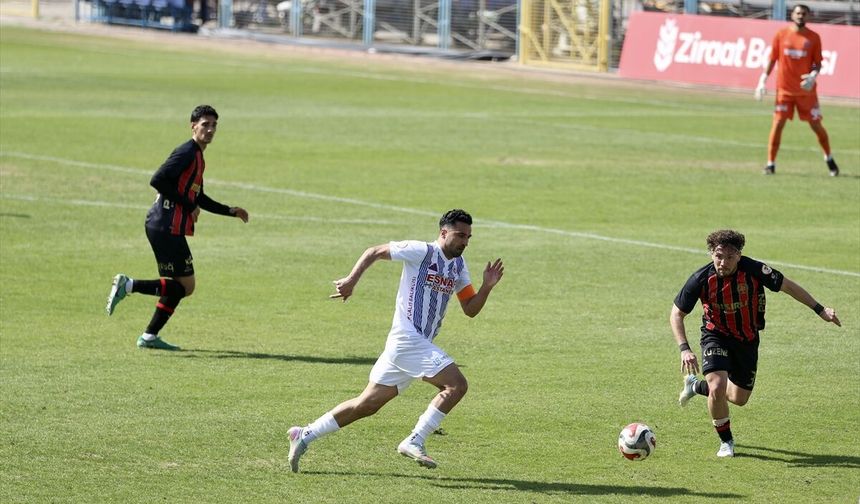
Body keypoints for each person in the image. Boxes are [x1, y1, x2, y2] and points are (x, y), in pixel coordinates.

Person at [287, 209, 504, 472]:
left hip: (410, 345)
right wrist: (351, 280)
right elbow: (374, 251)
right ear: (443, 232)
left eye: (469, 237)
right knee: (456, 385)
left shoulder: (458, 266)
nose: (465, 242)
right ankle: (415, 440)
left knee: (366, 405)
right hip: (407, 339)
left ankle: (305, 434)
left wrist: (486, 287)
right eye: (460, 235)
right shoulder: (421, 251)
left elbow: (470, 308)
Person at [671, 229, 840, 458]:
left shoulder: (754, 270)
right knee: (718, 386)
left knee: (739, 399)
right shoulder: (701, 279)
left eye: (730, 257)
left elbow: (788, 286)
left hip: (747, 340)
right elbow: (676, 314)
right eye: (719, 256)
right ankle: (726, 442)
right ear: (712, 254)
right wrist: (684, 349)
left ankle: (695, 386)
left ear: (739, 256)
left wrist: (820, 310)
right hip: (715, 335)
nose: (723, 262)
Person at [105, 105, 249, 350]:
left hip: (164, 227)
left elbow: (198, 196)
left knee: (180, 288)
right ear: (193, 125)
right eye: (205, 124)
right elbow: (157, 180)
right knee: (186, 287)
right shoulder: (186, 152)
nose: (211, 129)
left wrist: (230, 210)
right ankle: (128, 285)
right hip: (164, 225)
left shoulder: (198, 156)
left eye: (214, 125)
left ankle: (149, 336)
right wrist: (187, 204)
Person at [754, 4, 840, 176]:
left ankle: (829, 158)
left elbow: (818, 63)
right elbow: (773, 58)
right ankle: (770, 164)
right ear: (792, 15)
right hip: (784, 90)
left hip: (806, 92)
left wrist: (813, 75)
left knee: (816, 125)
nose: (801, 16)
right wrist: (762, 80)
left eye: (804, 14)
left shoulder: (814, 38)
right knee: (778, 124)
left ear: (808, 17)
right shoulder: (781, 35)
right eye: (798, 13)